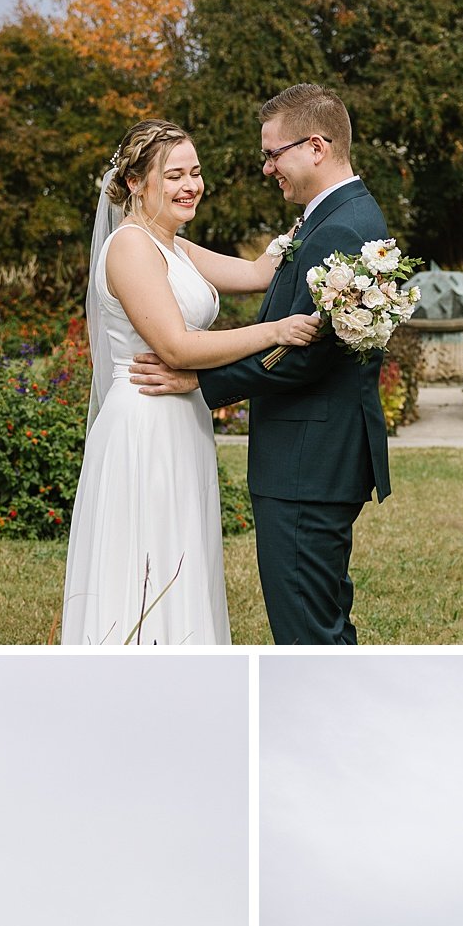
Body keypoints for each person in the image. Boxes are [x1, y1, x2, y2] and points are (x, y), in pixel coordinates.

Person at [131, 83, 392, 646]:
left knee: (308, 630)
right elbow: (262, 283)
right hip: (316, 453)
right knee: (316, 615)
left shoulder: (341, 227)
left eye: (275, 153)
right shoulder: (331, 219)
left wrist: (199, 381)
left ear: (316, 147)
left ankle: (328, 729)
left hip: (308, 459)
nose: (268, 167)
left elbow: (305, 357)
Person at [60, 119, 321, 645]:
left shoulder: (173, 245)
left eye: (196, 173)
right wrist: (273, 331)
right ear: (136, 183)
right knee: (147, 551)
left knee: (181, 545)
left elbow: (256, 273)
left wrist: (307, 225)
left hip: (183, 417)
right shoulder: (131, 247)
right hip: (145, 421)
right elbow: (176, 347)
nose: (191, 185)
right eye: (175, 174)